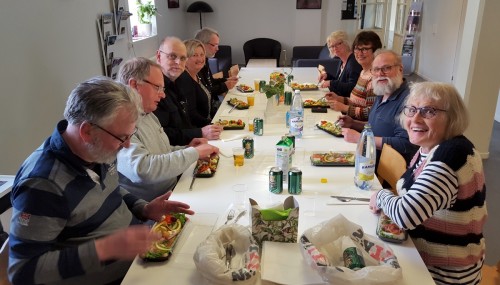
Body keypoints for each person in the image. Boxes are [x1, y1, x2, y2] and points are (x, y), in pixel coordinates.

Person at [8, 77, 195, 285]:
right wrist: (104, 249)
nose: (126, 146)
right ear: (87, 131)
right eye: (122, 138)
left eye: (130, 136)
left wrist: (144, 208)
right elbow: (22, 271)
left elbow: (113, 190)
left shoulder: (98, 149)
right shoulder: (43, 184)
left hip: (140, 258)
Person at [369, 82, 487, 284]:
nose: (415, 118)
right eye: (412, 110)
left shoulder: (450, 156)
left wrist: (380, 196)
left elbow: (405, 216)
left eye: (428, 111)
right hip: (418, 254)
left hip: (441, 274)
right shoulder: (429, 147)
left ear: (452, 118)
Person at [117, 57, 219, 202]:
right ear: (134, 85)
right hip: (153, 206)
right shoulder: (121, 122)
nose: (163, 94)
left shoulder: (148, 113)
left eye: (163, 89)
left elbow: (161, 152)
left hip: (176, 187)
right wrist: (193, 153)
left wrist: (185, 148)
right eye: (157, 87)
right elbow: (143, 169)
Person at [338, 50, 418, 164]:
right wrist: (353, 123)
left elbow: (405, 143)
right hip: (368, 156)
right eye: (376, 69)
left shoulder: (410, 101)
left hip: (383, 169)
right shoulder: (382, 92)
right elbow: (376, 127)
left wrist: (362, 139)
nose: (380, 74)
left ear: (400, 69)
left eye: (386, 68)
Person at [153, 36, 222, 145]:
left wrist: (207, 128)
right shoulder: (154, 89)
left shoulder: (177, 82)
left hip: (190, 144)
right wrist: (200, 132)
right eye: (172, 56)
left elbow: (185, 121)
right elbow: (161, 135)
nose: (178, 62)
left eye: (182, 58)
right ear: (158, 56)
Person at [326, 31, 382, 120]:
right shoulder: (363, 73)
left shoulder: (374, 79)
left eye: (364, 49)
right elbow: (357, 102)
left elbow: (371, 113)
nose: (359, 53)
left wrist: (344, 108)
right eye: (357, 49)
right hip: (349, 120)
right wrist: (339, 99)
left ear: (376, 52)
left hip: (359, 127)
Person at [195, 27, 238, 99]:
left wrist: (226, 80)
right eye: (214, 45)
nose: (217, 49)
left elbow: (210, 82)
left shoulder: (205, 60)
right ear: (202, 44)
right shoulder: (195, 65)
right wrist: (225, 86)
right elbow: (204, 93)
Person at [180, 39, 214, 127]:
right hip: (200, 129)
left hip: (208, 122)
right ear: (184, 58)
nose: (200, 59)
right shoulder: (184, 79)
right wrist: (211, 124)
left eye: (202, 54)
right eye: (194, 55)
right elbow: (191, 115)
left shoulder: (198, 73)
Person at [318, 31, 362, 97]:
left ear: (346, 42)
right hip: (338, 98)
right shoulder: (342, 60)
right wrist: (327, 76)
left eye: (338, 44)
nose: (335, 48)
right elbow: (339, 81)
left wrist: (331, 83)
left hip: (346, 101)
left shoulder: (353, 62)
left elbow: (353, 87)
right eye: (332, 46)